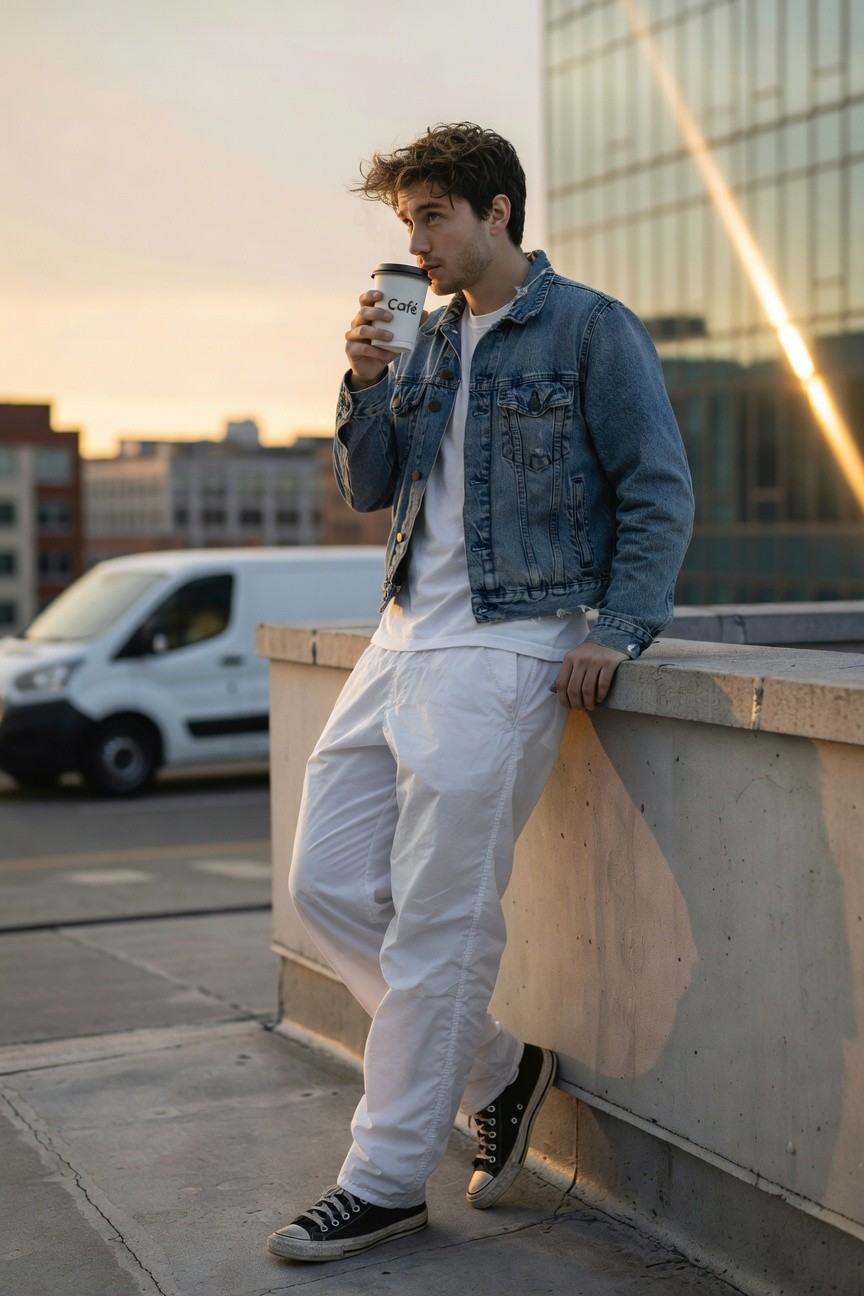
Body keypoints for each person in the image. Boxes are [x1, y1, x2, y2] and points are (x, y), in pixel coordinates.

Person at [268, 122, 694, 1264]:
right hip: (402, 637)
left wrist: (617, 630)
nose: (416, 240)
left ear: (498, 211)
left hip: (510, 646)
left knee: (443, 924)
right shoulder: (429, 338)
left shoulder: (591, 330)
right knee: (325, 882)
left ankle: (385, 1176)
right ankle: (504, 1070)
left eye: (433, 216)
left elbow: (658, 489)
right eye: (406, 220)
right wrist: (362, 382)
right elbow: (369, 488)